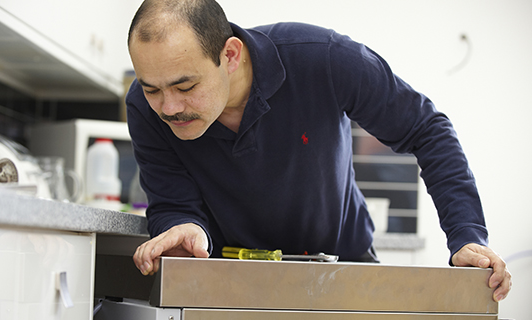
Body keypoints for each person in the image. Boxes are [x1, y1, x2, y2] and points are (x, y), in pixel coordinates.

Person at [125, 0, 511, 302]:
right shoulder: (145, 110)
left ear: (230, 55)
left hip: (347, 273)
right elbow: (174, 202)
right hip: (231, 283)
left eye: (185, 86)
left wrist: (465, 237)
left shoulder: (323, 59)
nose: (169, 107)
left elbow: (427, 129)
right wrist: (183, 228)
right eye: (152, 88)